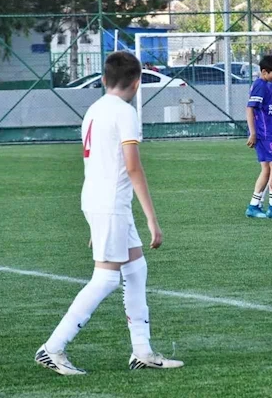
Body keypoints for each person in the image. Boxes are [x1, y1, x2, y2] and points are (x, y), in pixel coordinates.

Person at [35, 51, 183, 376]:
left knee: (136, 269)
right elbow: (133, 167)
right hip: (110, 204)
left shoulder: (95, 109)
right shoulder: (124, 112)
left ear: (103, 80)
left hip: (102, 201)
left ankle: (142, 352)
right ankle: (53, 348)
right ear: (137, 82)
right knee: (104, 279)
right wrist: (152, 219)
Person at [245, 55, 272, 218]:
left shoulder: (268, 84)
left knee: (268, 169)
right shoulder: (260, 85)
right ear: (264, 72)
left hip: (269, 133)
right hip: (263, 134)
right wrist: (253, 133)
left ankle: (255, 205)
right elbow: (250, 109)